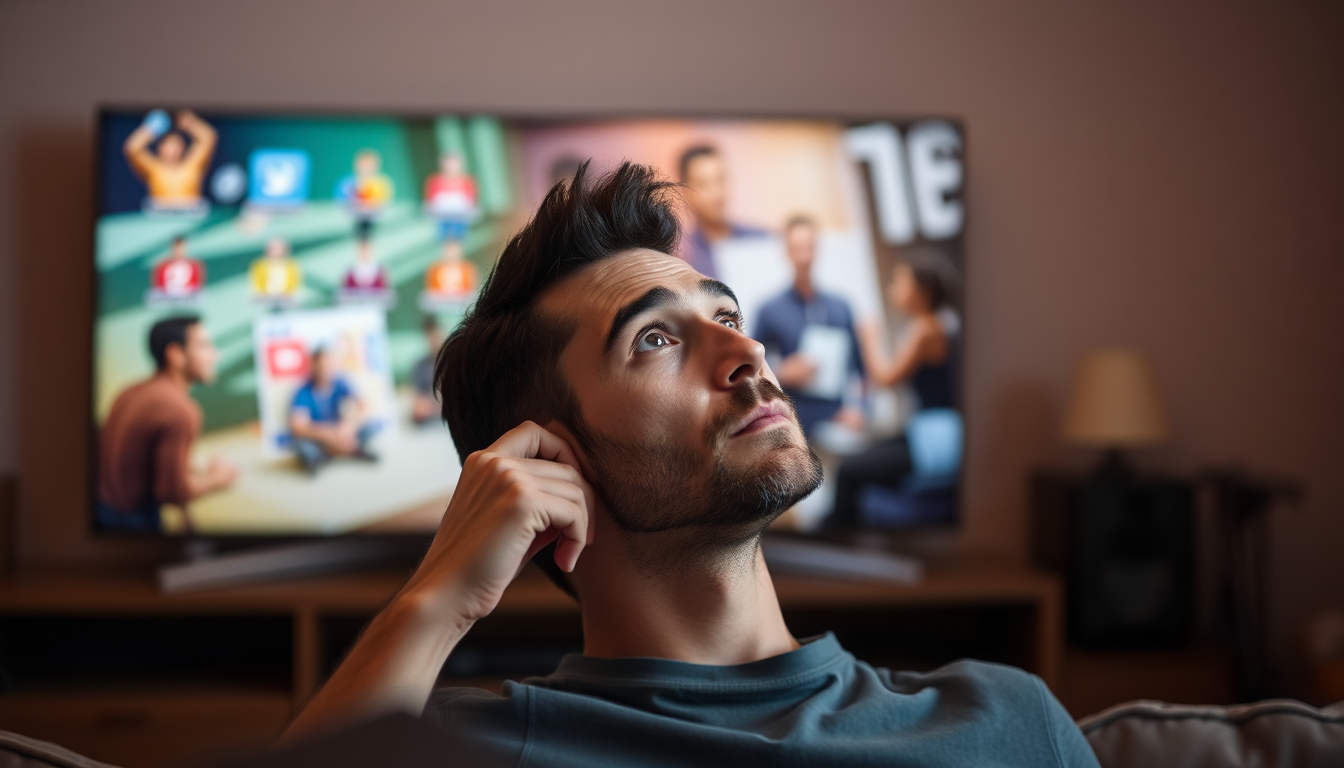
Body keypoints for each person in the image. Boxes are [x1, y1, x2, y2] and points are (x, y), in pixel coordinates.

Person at [281, 162, 1097, 768]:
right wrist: (436, 601)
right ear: (549, 458)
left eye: (728, 316)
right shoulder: (465, 747)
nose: (747, 352)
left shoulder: (1007, 721)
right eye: (657, 339)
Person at [830, 251, 960, 528]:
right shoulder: (942, 323)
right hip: (931, 433)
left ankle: (840, 543)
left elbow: (886, 378)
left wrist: (868, 339)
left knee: (848, 471)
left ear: (922, 291)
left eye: (900, 282)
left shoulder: (925, 329)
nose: (893, 289)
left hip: (933, 441)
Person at [97, 316, 237, 533]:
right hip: (129, 522)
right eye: (204, 346)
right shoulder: (180, 410)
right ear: (175, 355)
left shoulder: (129, 391)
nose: (215, 355)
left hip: (100, 508)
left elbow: (148, 459)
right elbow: (171, 492)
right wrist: (217, 478)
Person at [753, 215, 865, 437]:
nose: (804, 256)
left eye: (809, 247)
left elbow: (860, 370)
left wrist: (861, 408)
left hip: (840, 421)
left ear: (818, 249)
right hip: (794, 425)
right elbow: (753, 372)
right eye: (797, 248)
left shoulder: (841, 306)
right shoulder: (769, 310)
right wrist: (782, 372)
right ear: (785, 251)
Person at [676, 144, 767, 279]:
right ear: (685, 192)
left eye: (721, 180)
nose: (717, 193)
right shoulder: (684, 258)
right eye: (703, 184)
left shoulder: (760, 240)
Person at [288, 347, 377, 475]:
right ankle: (342, 452)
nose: (326, 369)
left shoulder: (341, 382)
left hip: (341, 433)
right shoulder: (302, 391)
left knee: (370, 427)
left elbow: (364, 406)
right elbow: (299, 427)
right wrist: (330, 435)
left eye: (330, 364)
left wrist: (348, 427)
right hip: (320, 437)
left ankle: (337, 452)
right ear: (314, 365)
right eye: (322, 365)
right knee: (300, 445)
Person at [122, 110, 217, 211]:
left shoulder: (192, 164)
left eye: (177, 145)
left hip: (190, 214)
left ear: (183, 147)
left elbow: (209, 137)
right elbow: (132, 148)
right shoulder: (154, 167)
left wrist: (190, 122)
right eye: (169, 146)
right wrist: (152, 128)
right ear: (160, 148)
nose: (173, 150)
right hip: (161, 216)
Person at [337, 149, 394, 238]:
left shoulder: (383, 183)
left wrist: (370, 206)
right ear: (357, 165)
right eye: (364, 165)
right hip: (355, 220)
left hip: (374, 221)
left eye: (369, 165)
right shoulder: (347, 183)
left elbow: (383, 205)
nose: (366, 168)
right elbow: (343, 203)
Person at [422, 152, 478, 242]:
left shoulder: (467, 181)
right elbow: (430, 201)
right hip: (441, 218)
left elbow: (471, 201)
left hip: (460, 218)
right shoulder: (434, 181)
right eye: (448, 164)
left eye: (454, 164)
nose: (451, 167)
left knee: (459, 238)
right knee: (444, 239)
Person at [148, 236, 205, 302]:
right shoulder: (162, 265)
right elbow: (157, 288)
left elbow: (197, 287)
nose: (178, 250)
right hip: (167, 301)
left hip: (188, 303)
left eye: (181, 247)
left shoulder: (194, 265)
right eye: (176, 248)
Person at [410, 316, 444, 426]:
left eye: (435, 334)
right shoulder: (420, 366)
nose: (433, 340)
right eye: (429, 335)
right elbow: (419, 404)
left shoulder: (456, 363)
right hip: (430, 423)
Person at [249, 238, 302, 304]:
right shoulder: (259, 264)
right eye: (273, 249)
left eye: (278, 249)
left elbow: (294, 281)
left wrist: (287, 294)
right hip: (265, 298)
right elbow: (257, 282)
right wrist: (263, 294)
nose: (275, 251)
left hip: (285, 298)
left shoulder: (291, 264)